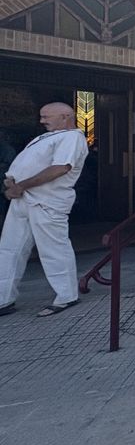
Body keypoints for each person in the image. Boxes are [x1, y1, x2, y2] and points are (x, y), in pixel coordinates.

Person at [0, 103, 88, 317]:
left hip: (47, 201)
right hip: (23, 199)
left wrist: (21, 185)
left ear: (65, 116)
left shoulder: (72, 137)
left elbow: (60, 168)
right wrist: (11, 183)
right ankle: (3, 298)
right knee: (10, 249)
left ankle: (67, 295)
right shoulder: (46, 137)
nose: (42, 121)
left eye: (46, 116)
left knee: (53, 249)